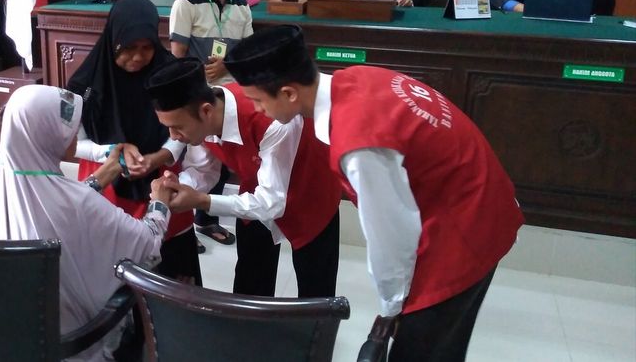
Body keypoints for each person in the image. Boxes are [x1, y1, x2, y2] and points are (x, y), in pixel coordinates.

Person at [222, 25, 525, 362]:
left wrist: (392, 307)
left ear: (289, 93)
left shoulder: (358, 142)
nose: (257, 110)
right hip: (482, 204)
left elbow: (391, 234)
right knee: (446, 342)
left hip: (465, 230)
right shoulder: (357, 77)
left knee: (421, 348)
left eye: (258, 100)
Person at [0, 84, 171, 362]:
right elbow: (147, 243)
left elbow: (57, 207)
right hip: (71, 344)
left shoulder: (1, 180)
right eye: (66, 130)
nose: (72, 138)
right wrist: (160, 201)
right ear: (45, 133)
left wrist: (104, 173)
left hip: (12, 338)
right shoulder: (77, 203)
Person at [146, 58, 342, 298]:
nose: (174, 137)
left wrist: (202, 201)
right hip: (256, 191)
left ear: (206, 111)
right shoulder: (204, 116)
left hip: (310, 193)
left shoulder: (271, 119)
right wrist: (174, 188)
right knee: (250, 282)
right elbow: (204, 170)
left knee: (316, 289)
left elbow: (272, 202)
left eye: (177, 127)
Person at [66, 0, 200, 285]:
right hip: (106, 181)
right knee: (112, 267)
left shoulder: (169, 75)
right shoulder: (85, 84)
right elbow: (76, 143)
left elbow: (182, 132)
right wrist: (113, 153)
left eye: (146, 47)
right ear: (113, 41)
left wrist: (158, 157)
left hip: (161, 178)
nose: (138, 57)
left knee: (170, 270)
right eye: (128, 48)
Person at [169, 0, 254, 245]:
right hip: (198, 96)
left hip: (231, 98)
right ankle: (181, 222)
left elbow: (248, 54)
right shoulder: (187, 3)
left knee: (223, 162)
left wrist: (227, 66)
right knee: (198, 161)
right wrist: (200, 78)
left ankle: (205, 220)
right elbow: (177, 57)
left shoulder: (242, 6)